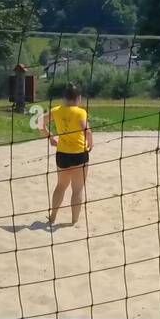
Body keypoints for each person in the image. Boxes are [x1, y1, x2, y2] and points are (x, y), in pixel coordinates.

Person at [41, 83, 93, 226]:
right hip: (79, 154)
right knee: (77, 190)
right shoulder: (80, 112)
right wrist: (91, 143)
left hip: (62, 154)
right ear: (79, 98)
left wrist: (50, 137)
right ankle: (74, 221)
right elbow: (87, 130)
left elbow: (40, 122)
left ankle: (53, 216)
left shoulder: (56, 110)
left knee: (61, 186)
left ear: (64, 98)